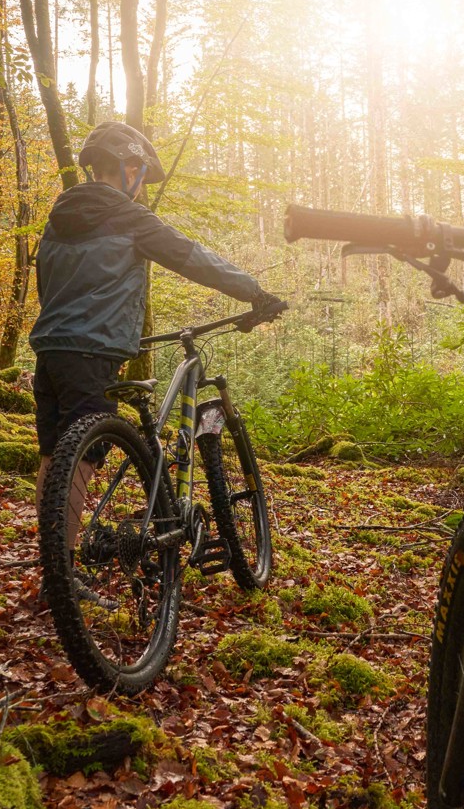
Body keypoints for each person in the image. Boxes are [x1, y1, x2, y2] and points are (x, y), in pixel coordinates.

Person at [30, 120, 285, 520]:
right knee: (83, 454)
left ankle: (50, 563)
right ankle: (63, 571)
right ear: (130, 168)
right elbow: (192, 257)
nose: (141, 184)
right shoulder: (128, 215)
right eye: (141, 174)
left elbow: (47, 284)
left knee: (55, 454)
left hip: (49, 349)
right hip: (93, 352)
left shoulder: (59, 217)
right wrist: (254, 292)